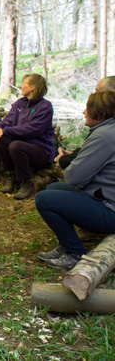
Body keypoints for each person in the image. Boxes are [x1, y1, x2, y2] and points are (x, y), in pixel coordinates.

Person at [34, 91, 115, 270]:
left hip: (111, 211)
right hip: (106, 198)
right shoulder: (108, 130)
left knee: (44, 199)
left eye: (88, 108)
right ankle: (66, 243)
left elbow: (73, 177)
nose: (83, 112)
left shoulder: (103, 136)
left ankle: (75, 253)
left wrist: (66, 163)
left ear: (101, 114)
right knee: (54, 188)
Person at [0, 74, 54, 200]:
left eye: (23, 83)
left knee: (16, 145)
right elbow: (6, 121)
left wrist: (6, 130)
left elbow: (33, 129)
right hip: (21, 146)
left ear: (32, 87)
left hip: (40, 150)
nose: (20, 85)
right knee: (0, 139)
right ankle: (11, 174)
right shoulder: (19, 104)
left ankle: (27, 182)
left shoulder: (45, 106)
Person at [56, 76, 115, 169]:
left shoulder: (105, 133)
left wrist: (64, 160)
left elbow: (75, 177)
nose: (95, 96)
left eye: (97, 92)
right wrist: (77, 154)